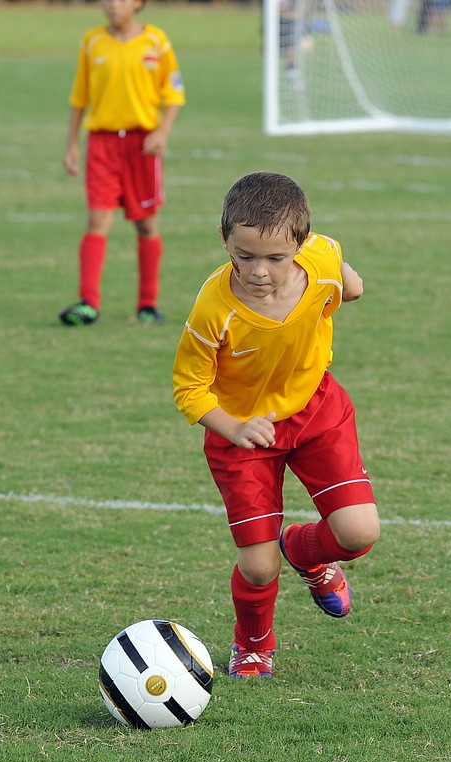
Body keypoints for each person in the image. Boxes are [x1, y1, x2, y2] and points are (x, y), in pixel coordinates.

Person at [172, 172, 380, 678]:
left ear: (301, 245)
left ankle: (305, 552)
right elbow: (188, 388)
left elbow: (348, 284)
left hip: (316, 411)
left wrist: (349, 287)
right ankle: (254, 645)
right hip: (243, 435)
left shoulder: (323, 259)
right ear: (224, 241)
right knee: (259, 567)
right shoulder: (213, 309)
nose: (258, 271)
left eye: (275, 258)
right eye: (243, 256)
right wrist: (234, 426)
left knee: (357, 534)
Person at [59, 0, 185, 326]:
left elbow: (174, 94)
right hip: (101, 144)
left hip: (142, 145)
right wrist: (72, 144)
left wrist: (162, 132)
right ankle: (88, 303)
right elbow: (79, 97)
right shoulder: (92, 42)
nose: (114, 5)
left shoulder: (157, 41)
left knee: (146, 224)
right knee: (98, 221)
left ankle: (147, 304)